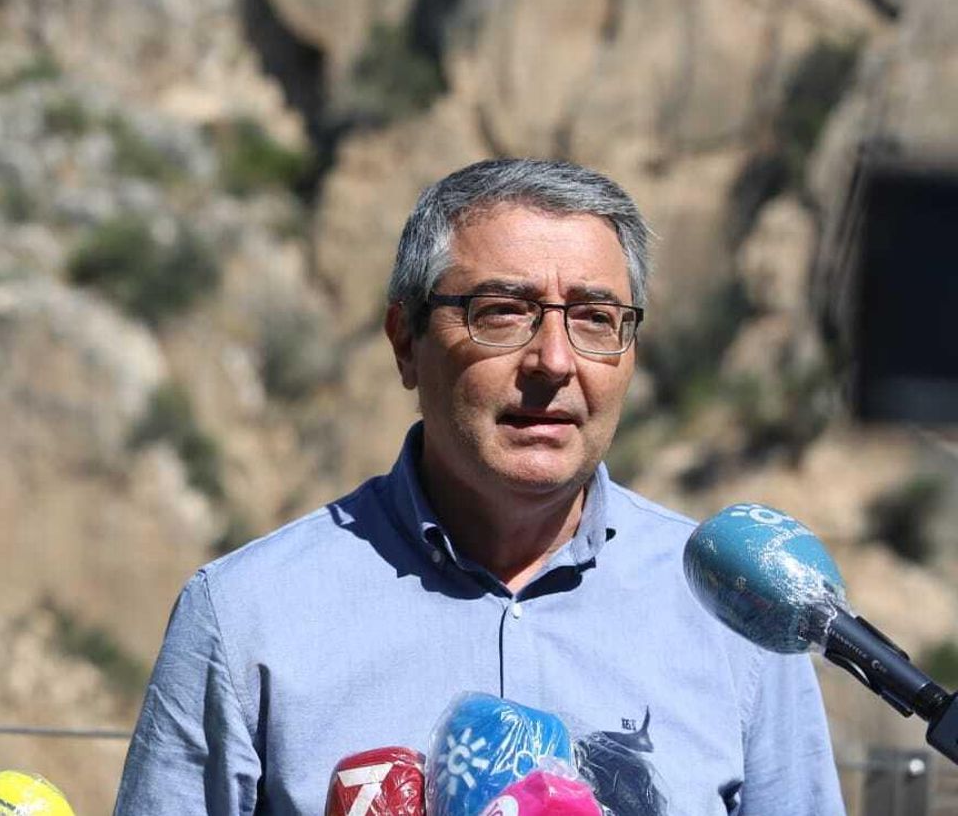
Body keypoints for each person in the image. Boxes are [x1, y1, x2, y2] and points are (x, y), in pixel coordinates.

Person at [112, 159, 844, 815]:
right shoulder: (244, 615)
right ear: (406, 341)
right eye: (502, 313)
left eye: (595, 319)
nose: (554, 361)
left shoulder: (737, 613)